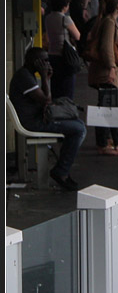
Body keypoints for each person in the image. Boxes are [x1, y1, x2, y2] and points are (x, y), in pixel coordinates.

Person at [9, 47, 87, 191]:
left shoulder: (28, 74)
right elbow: (46, 100)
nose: (47, 64)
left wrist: (47, 79)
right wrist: (44, 77)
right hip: (33, 123)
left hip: (38, 117)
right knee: (78, 129)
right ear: (34, 61)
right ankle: (61, 171)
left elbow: (46, 99)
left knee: (78, 124)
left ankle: (62, 167)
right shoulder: (24, 77)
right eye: (44, 61)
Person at [87, 0, 118, 156]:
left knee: (107, 106)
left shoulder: (104, 20)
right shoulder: (110, 22)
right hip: (106, 72)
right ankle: (104, 143)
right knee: (107, 107)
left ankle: (112, 140)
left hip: (102, 70)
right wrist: (112, 67)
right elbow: (106, 48)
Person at [43, 0, 82, 100]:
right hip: (65, 57)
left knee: (56, 87)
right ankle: (66, 111)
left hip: (52, 55)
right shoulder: (65, 19)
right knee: (67, 89)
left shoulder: (48, 18)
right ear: (64, 6)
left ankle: (56, 110)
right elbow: (78, 36)